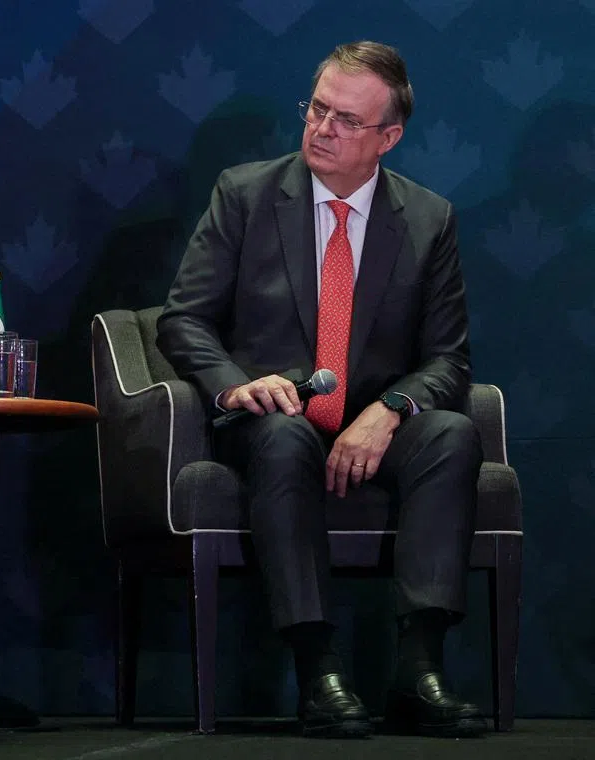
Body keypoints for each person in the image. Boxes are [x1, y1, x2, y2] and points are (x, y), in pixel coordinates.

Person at [157, 41, 485, 739]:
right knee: (280, 436)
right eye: (316, 109)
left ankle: (419, 669)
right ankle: (318, 669)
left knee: (453, 433)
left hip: (372, 423)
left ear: (388, 138)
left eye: (345, 120)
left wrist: (390, 410)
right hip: (272, 419)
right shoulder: (244, 195)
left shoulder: (428, 220)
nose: (321, 129)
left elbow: (449, 360)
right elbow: (184, 319)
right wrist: (235, 387)